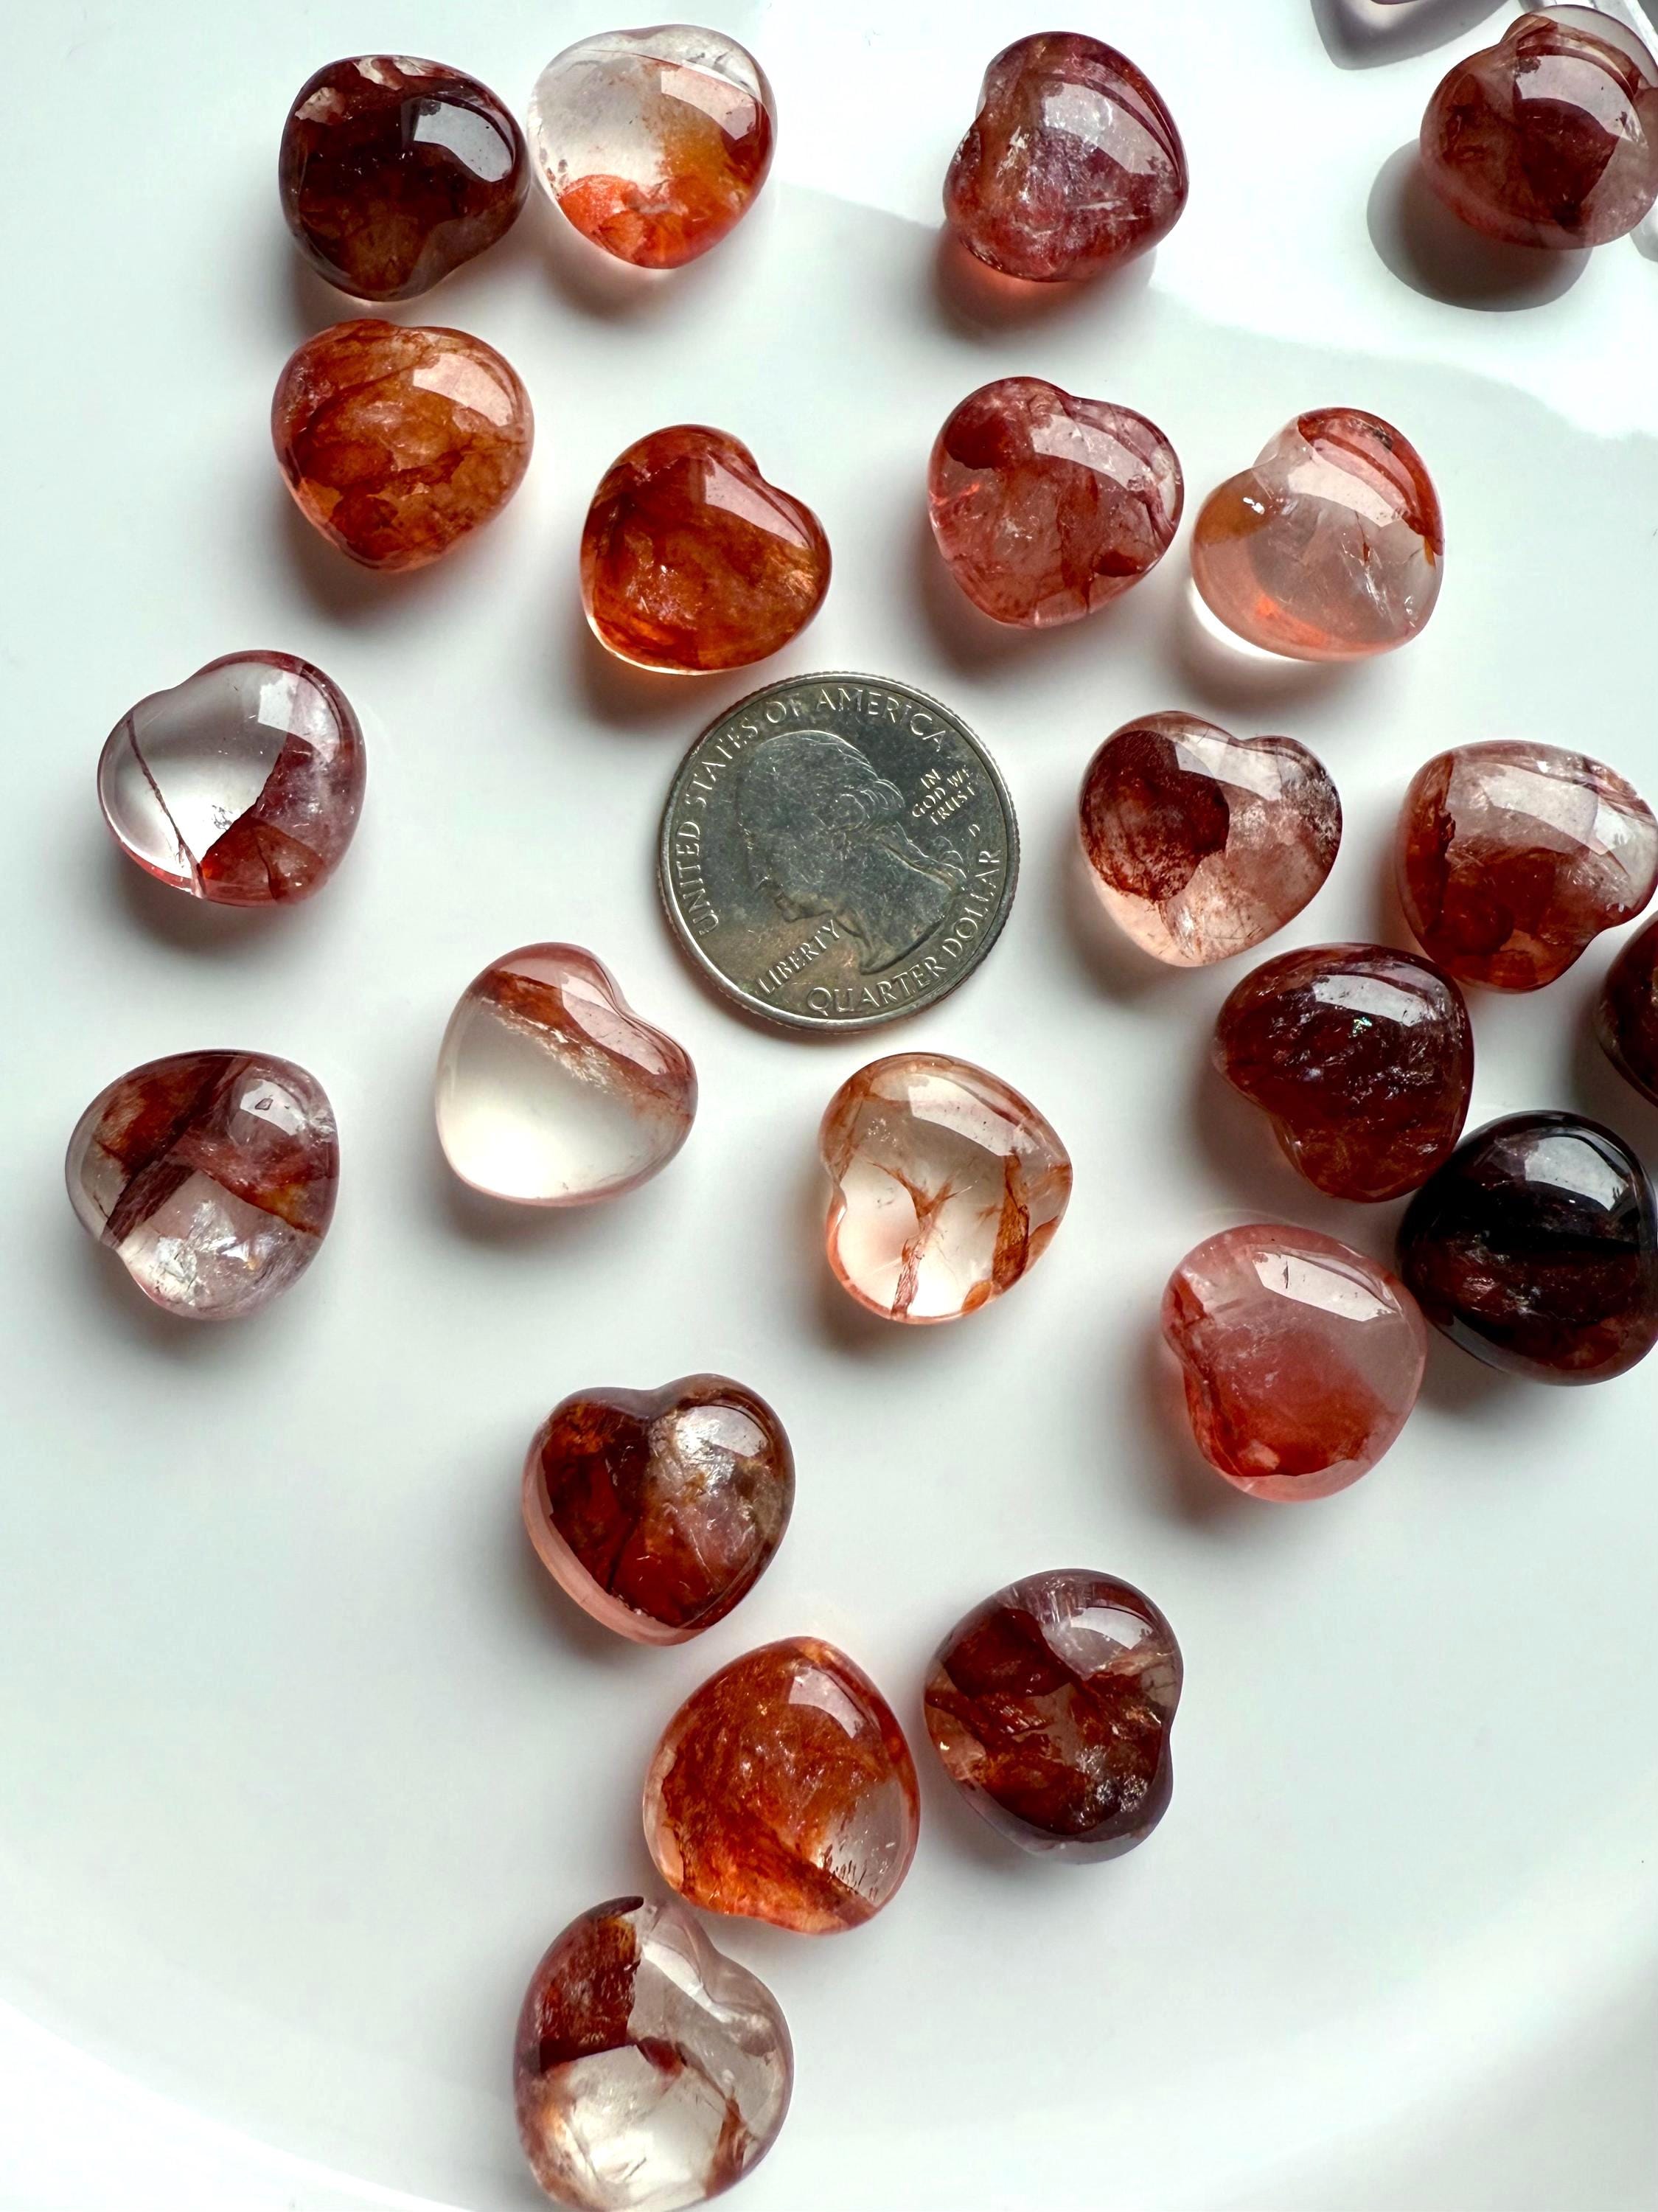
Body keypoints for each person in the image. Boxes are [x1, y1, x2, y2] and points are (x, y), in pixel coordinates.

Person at [735, 728, 964, 971]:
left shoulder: (925, 915)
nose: (758, 875)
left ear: (837, 827)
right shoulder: (882, 950)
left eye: (763, 842)